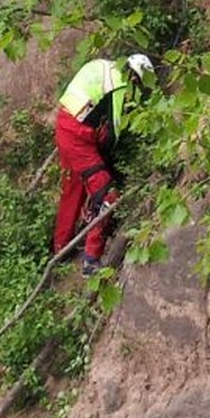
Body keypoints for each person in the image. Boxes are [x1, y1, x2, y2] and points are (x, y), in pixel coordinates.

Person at [53, 52, 155, 275]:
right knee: (107, 193)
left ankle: (61, 249)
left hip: (63, 125)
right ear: (134, 78)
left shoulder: (104, 66)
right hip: (79, 138)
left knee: (73, 188)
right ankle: (91, 259)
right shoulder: (119, 86)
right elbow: (113, 134)